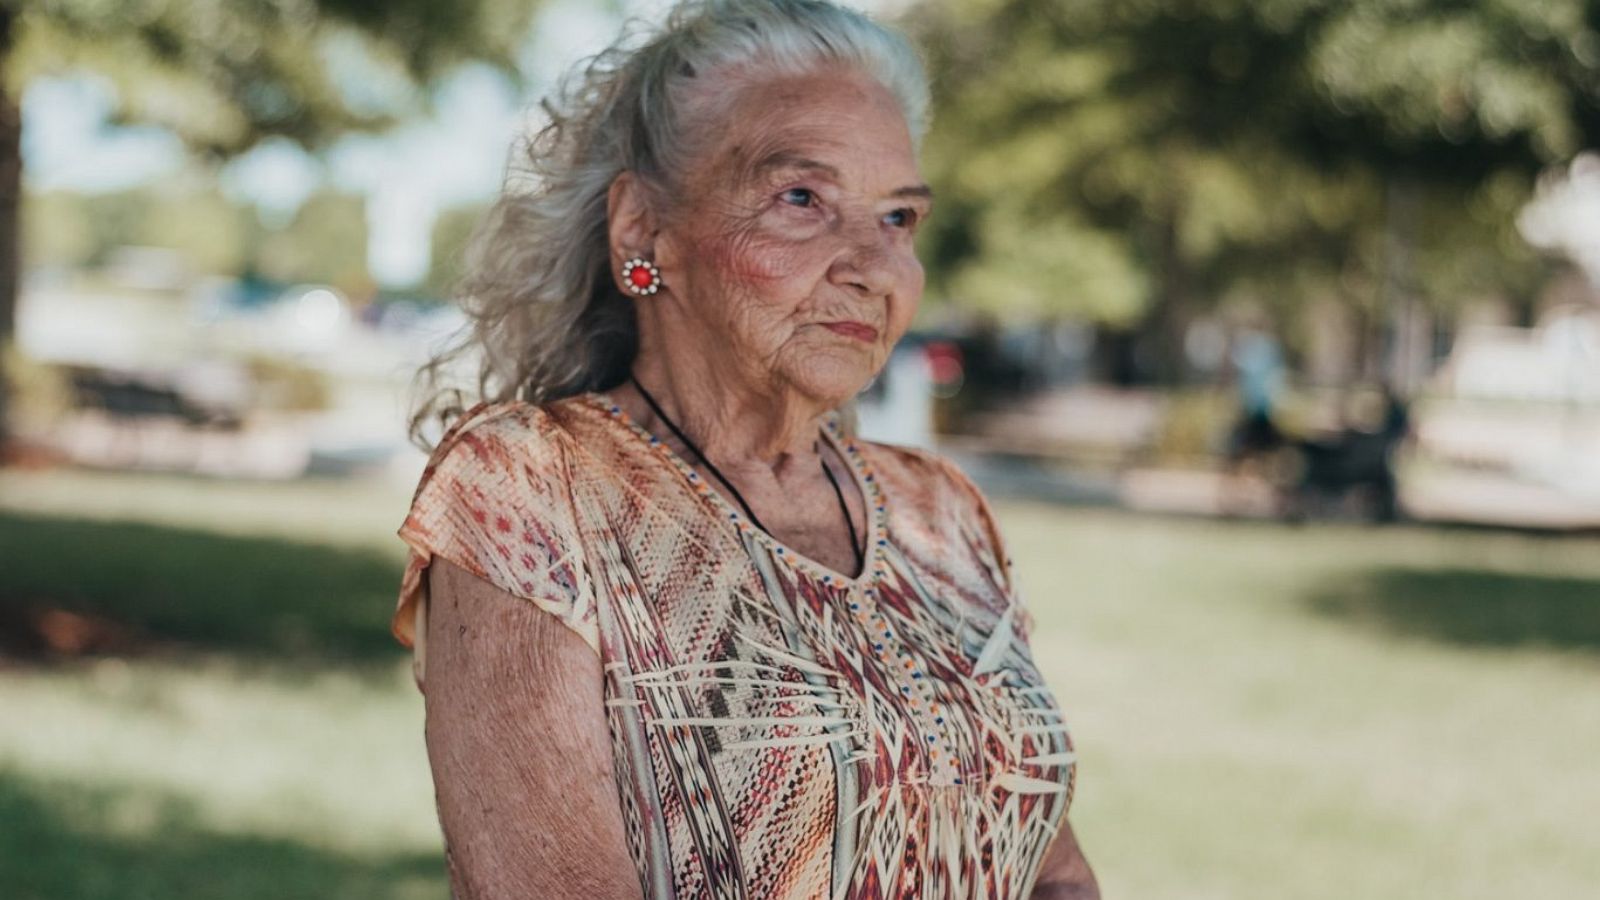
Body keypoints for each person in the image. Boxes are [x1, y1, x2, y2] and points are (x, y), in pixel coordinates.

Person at [390, 1, 1098, 896]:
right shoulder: (532, 490)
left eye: (898, 218)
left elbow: (1054, 873)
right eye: (802, 198)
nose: (873, 267)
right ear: (644, 231)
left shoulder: (938, 511)